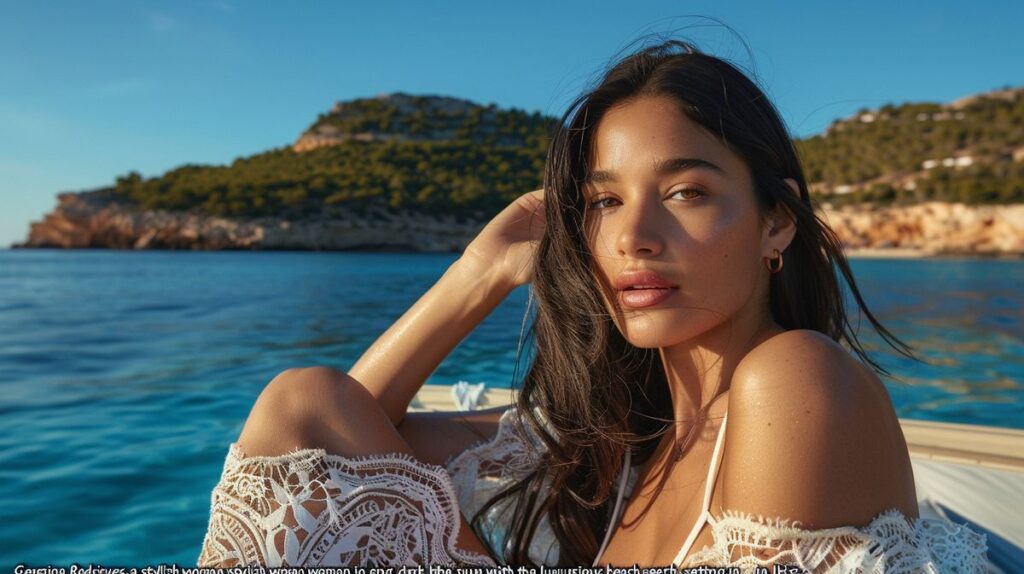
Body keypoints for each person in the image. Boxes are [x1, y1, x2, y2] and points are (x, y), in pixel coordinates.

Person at [197, 39, 988, 571]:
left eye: (685, 192)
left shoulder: (797, 381)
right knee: (304, 394)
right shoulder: (613, 446)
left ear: (776, 221)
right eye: (604, 202)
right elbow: (323, 443)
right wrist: (476, 275)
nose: (633, 236)